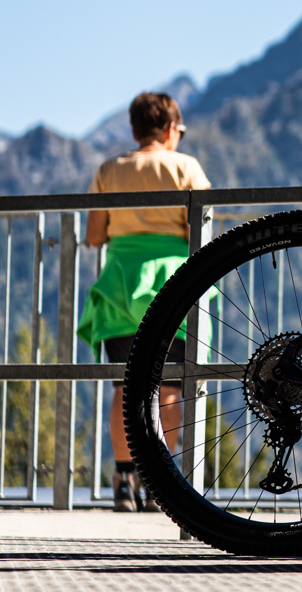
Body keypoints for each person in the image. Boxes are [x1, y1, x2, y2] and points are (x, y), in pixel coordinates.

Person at [80, 91, 209, 512]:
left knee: (125, 386)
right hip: (173, 288)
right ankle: (159, 481)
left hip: (121, 287)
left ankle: (122, 479)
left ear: (135, 131)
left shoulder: (108, 171)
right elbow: (202, 233)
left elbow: (94, 236)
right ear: (171, 130)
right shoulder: (185, 167)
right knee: (168, 387)